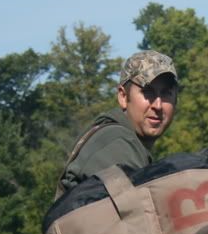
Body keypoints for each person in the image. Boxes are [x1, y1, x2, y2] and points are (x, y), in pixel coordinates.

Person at [57, 50, 178, 195]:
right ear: (123, 96)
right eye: (148, 92)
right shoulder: (115, 142)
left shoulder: (129, 143)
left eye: (166, 93)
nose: (158, 105)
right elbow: (137, 212)